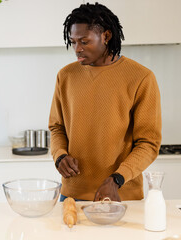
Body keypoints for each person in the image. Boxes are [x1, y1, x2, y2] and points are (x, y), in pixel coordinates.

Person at [48, 2, 162, 202]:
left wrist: (117, 179)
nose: (77, 49)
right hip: (72, 195)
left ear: (106, 36)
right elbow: (57, 128)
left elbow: (148, 143)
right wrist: (60, 156)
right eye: (73, 42)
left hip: (121, 195)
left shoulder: (141, 77)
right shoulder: (65, 76)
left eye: (84, 41)